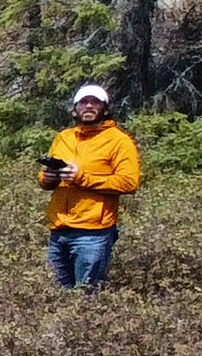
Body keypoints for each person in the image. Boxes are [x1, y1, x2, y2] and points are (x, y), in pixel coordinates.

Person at [40, 82, 142, 291]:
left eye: (95, 102)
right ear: (75, 108)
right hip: (58, 230)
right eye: (84, 102)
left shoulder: (119, 141)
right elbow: (44, 181)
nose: (89, 106)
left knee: (87, 296)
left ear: (105, 109)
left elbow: (129, 182)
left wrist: (82, 178)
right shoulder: (64, 137)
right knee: (55, 295)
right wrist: (49, 177)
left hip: (93, 234)